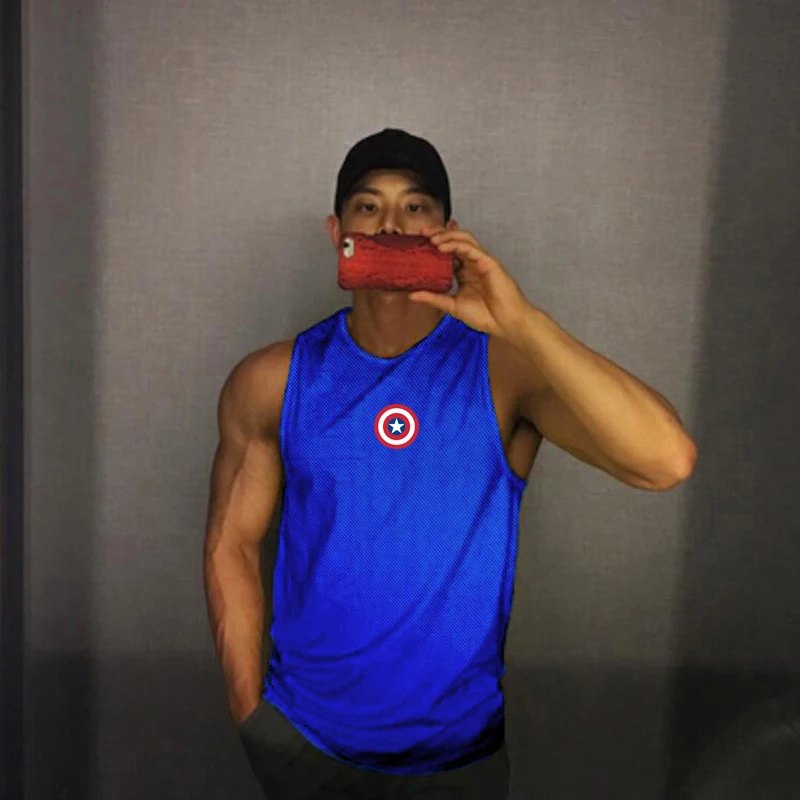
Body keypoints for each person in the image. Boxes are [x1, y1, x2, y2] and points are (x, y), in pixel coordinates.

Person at [203, 129, 697, 799]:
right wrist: (252, 716)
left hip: (457, 760)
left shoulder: (505, 371)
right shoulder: (272, 380)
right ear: (337, 233)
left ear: (448, 233)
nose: (391, 225)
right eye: (368, 207)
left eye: (416, 208)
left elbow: (665, 460)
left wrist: (522, 322)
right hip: (305, 743)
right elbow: (232, 542)